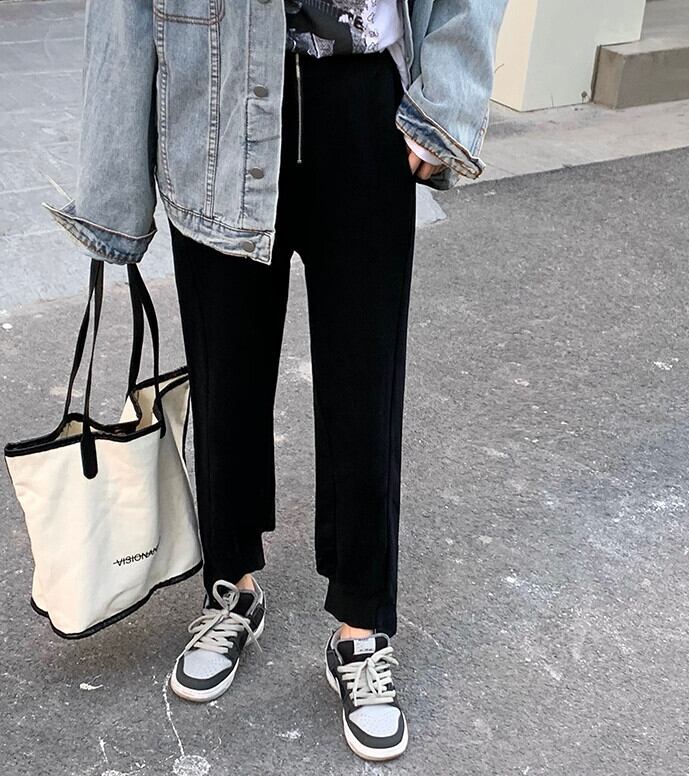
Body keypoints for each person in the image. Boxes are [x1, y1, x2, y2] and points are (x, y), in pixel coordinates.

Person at [42, 0, 508, 762]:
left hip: (362, 104)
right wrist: (112, 185)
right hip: (213, 109)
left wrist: (447, 100)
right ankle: (231, 586)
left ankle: (362, 624)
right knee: (225, 378)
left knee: (365, 387)